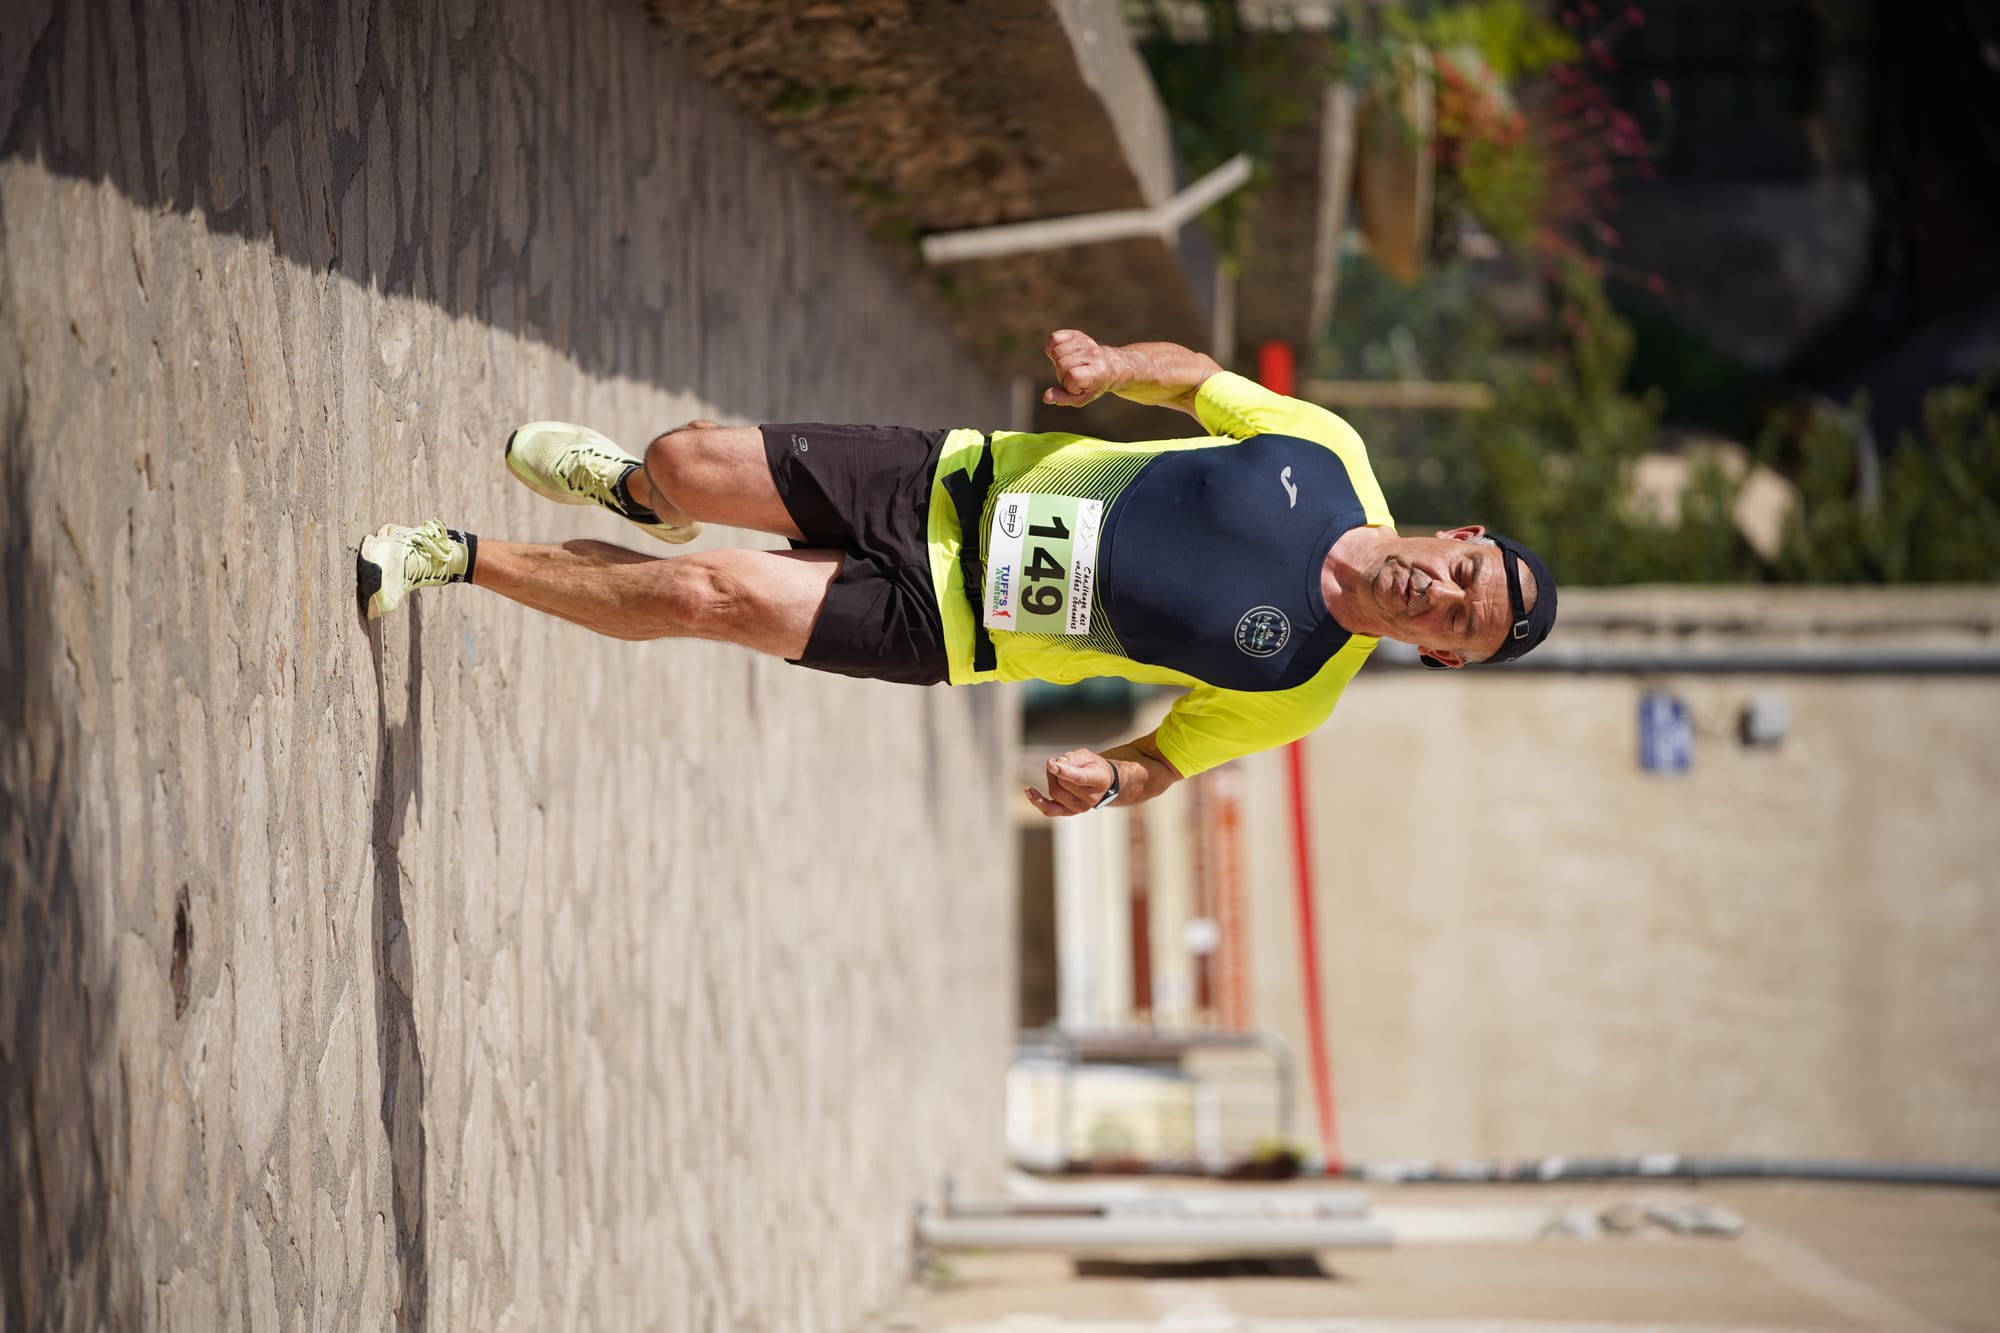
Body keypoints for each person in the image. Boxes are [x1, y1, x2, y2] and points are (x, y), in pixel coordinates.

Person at [358, 329, 1556, 817]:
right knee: (682, 461)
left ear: (1439, 654)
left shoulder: (1297, 688)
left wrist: (1104, 777)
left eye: (1462, 621)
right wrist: (1110, 366)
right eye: (1466, 572)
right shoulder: (1326, 454)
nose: (1444, 595)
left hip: (945, 626)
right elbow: (1199, 383)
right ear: (1458, 533)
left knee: (702, 598)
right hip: (945, 481)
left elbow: (1166, 759)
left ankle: (454, 557)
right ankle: (637, 493)